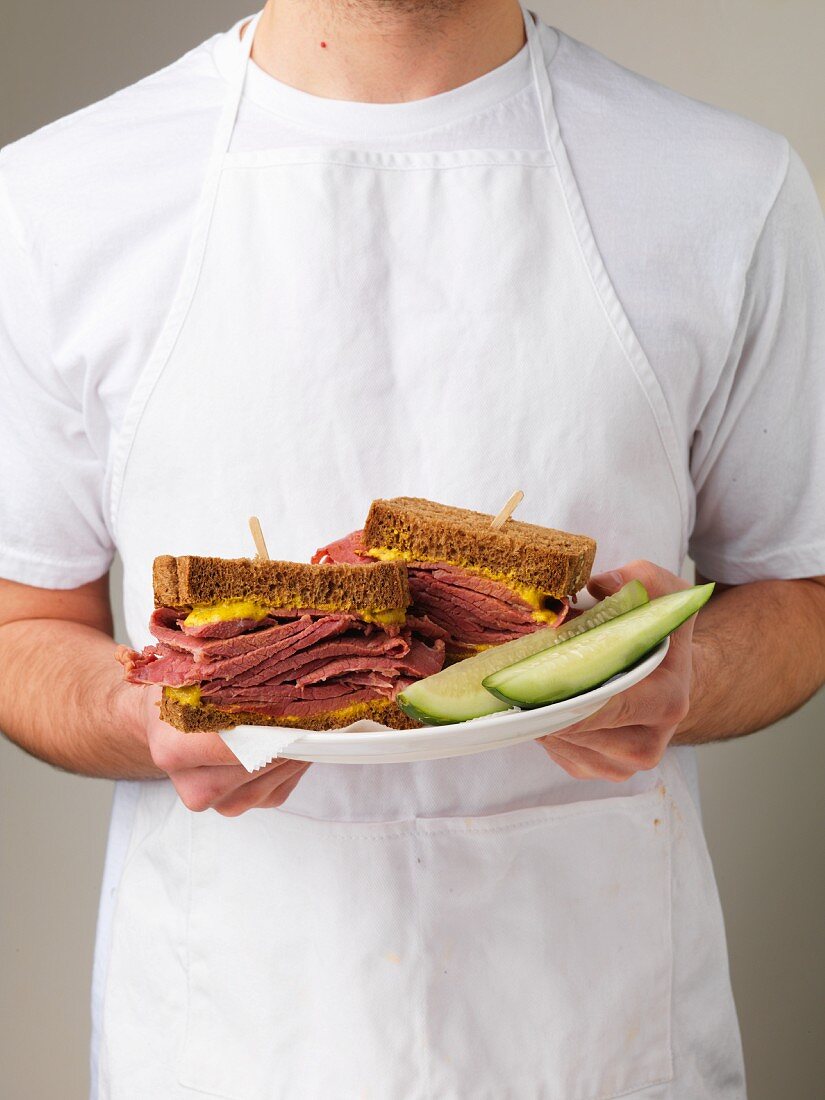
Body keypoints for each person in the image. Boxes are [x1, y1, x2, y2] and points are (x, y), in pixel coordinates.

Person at [1, 0, 824, 1095]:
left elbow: (802, 590)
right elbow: (20, 626)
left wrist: (686, 671)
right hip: (229, 1037)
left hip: (599, 1038)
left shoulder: (729, 188)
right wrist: (143, 707)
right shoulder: (53, 201)